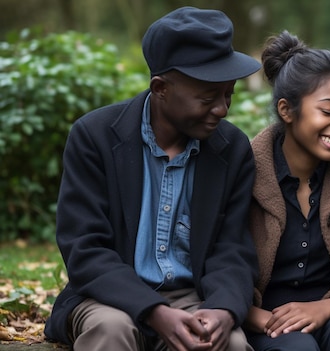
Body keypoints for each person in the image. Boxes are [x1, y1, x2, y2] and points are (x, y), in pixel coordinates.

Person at [44, 7, 261, 351]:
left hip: (192, 298)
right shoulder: (95, 137)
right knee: (112, 331)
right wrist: (153, 311)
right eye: (208, 97)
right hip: (108, 298)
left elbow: (232, 249)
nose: (221, 108)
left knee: (231, 343)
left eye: (228, 94)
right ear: (160, 88)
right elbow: (85, 249)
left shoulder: (231, 149)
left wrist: (222, 308)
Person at [242, 31, 330, 351]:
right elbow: (215, 266)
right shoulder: (243, 175)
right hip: (265, 320)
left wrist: (324, 308)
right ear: (287, 111)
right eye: (328, 111)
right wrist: (257, 317)